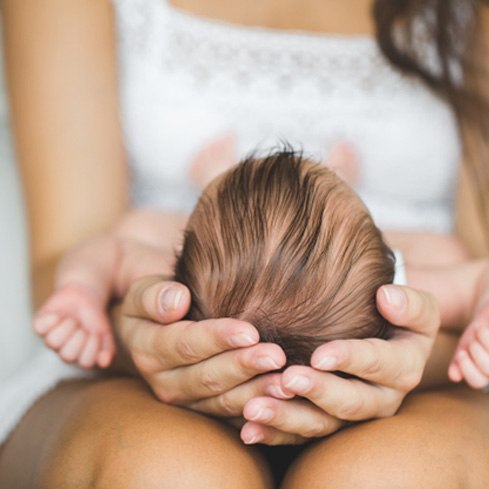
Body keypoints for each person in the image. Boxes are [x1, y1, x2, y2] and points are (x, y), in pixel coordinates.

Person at [1, 0, 489, 488]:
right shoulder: (400, 288)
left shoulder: (162, 266)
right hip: (150, 374)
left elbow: (100, 252)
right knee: (166, 471)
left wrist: (80, 297)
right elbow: (476, 279)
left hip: (413, 381)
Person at [34, 150, 396, 368]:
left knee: (140, 225)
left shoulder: (173, 286)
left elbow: (106, 250)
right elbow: (453, 273)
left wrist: (81, 289)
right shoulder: (381, 296)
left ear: (178, 260)